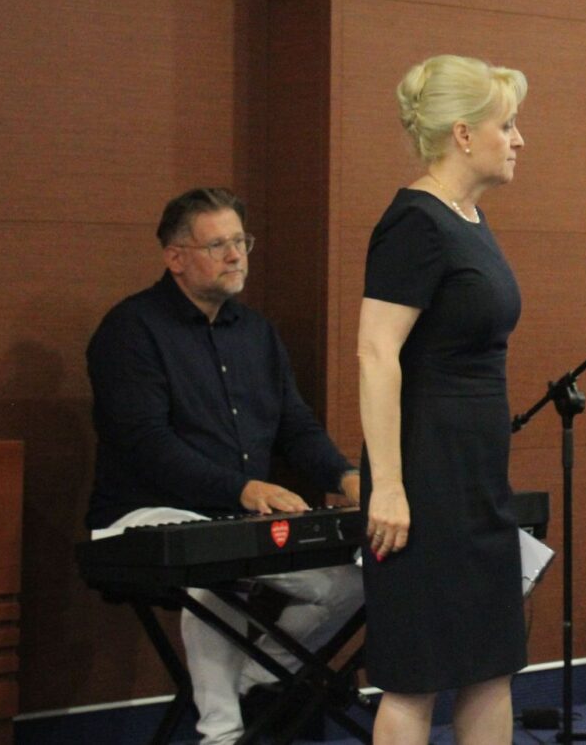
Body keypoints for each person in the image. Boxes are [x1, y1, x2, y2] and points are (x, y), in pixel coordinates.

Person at [86, 187, 364, 745]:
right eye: (218, 245)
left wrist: (347, 478)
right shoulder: (131, 330)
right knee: (214, 580)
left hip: (235, 521)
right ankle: (222, 734)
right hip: (141, 518)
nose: (236, 256)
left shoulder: (257, 333)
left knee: (357, 581)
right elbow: (147, 445)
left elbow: (296, 428)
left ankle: (260, 676)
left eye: (241, 242)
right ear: (175, 257)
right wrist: (243, 489)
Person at [357, 55, 529, 745]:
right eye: (506, 125)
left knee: (491, 663)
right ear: (463, 134)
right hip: (424, 478)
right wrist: (389, 486)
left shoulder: (469, 218)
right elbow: (376, 353)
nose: (518, 139)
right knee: (417, 672)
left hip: (478, 476)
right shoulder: (415, 223)